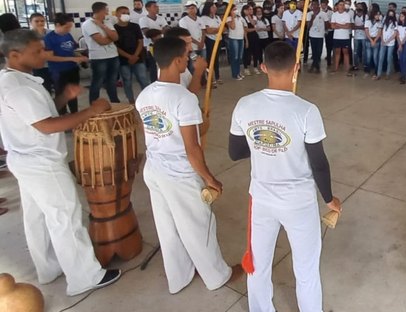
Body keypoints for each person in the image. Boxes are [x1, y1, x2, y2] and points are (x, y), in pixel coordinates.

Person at [0, 29, 121, 295]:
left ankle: (49, 268)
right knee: (65, 218)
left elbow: (36, 117)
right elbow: (46, 126)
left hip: (25, 160)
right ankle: (85, 277)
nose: (44, 54)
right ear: (14, 55)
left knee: (39, 218)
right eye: (37, 51)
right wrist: (90, 111)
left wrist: (63, 98)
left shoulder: (12, 80)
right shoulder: (19, 88)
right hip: (41, 163)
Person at [229, 41, 341, 312]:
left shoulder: (245, 105)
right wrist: (329, 199)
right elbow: (319, 163)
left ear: (263, 66)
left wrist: (261, 145)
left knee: (258, 264)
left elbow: (236, 152)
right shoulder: (306, 110)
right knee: (306, 270)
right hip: (299, 203)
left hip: (262, 200)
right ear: (297, 68)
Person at [136, 37, 236, 294]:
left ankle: (178, 277)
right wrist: (209, 177)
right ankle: (217, 276)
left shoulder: (145, 94)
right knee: (198, 223)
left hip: (154, 168)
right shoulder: (183, 98)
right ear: (179, 60)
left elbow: (164, 129)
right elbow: (192, 148)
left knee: (167, 226)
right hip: (178, 172)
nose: (189, 60)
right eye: (188, 56)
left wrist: (200, 126)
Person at [44, 13, 86, 114]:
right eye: (66, 27)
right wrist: (71, 58)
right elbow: (50, 57)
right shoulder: (49, 38)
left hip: (72, 69)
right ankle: (63, 117)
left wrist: (80, 56)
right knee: (61, 94)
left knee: (72, 93)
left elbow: (72, 49)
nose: (69, 29)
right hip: (58, 71)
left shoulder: (67, 35)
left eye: (70, 27)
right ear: (58, 25)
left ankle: (74, 114)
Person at [81, 2, 120, 104]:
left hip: (113, 55)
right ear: (100, 10)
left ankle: (115, 102)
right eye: (106, 10)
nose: (107, 12)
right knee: (97, 82)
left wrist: (103, 26)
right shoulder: (88, 24)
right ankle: (94, 104)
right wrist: (110, 38)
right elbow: (101, 41)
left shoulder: (106, 22)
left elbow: (116, 37)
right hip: (99, 57)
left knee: (112, 81)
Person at [114, 6, 150, 103]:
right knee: (127, 81)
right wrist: (129, 56)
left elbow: (140, 41)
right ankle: (131, 101)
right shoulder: (114, 28)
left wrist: (135, 55)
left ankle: (147, 100)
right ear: (117, 14)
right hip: (123, 59)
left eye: (127, 13)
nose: (126, 15)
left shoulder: (135, 26)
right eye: (123, 13)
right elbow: (115, 46)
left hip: (138, 57)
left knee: (143, 79)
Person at [162, 28, 207, 96]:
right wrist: (198, 71)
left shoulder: (182, 64)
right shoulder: (170, 70)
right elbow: (188, 95)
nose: (191, 48)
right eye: (186, 44)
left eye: (190, 43)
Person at [139, 0, 168, 82]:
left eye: (157, 6)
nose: (157, 8)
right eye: (155, 6)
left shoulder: (161, 18)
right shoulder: (143, 19)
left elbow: (167, 29)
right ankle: (154, 83)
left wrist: (155, 32)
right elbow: (147, 33)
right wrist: (161, 31)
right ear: (148, 8)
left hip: (163, 45)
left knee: (163, 65)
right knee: (153, 67)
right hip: (151, 47)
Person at [199, 2, 223, 85]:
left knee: (216, 59)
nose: (215, 8)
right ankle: (210, 78)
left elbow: (223, 28)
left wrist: (215, 30)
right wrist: (217, 29)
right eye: (213, 7)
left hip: (218, 40)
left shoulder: (217, 17)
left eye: (215, 7)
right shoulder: (203, 18)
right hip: (210, 41)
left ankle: (217, 76)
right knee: (210, 60)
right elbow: (208, 31)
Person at [330, 0, 353, 75]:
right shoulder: (334, 15)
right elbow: (332, 26)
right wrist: (342, 25)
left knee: (346, 53)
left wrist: (338, 25)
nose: (342, 6)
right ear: (337, 6)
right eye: (340, 5)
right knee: (337, 53)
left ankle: (347, 69)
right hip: (337, 37)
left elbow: (348, 26)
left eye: (343, 5)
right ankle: (335, 68)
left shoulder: (347, 15)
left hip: (345, 37)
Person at [307, 0, 329, 73]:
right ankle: (316, 66)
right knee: (314, 51)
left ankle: (314, 65)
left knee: (319, 51)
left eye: (316, 4)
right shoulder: (309, 14)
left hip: (320, 35)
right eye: (313, 5)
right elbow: (308, 26)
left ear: (318, 5)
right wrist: (312, 18)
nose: (314, 6)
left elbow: (326, 23)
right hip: (312, 35)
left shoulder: (323, 14)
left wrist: (325, 31)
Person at [226, 5, 247, 81]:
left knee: (240, 57)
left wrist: (245, 39)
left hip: (241, 39)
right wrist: (232, 17)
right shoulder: (228, 18)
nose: (235, 11)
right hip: (233, 39)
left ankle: (238, 72)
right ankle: (235, 74)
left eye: (236, 9)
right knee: (235, 57)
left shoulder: (240, 18)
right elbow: (232, 27)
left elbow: (245, 27)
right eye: (233, 9)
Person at [377, 9, 397, 79]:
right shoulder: (384, 22)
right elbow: (381, 31)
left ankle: (387, 74)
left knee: (389, 58)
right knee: (381, 57)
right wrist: (382, 39)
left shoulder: (395, 23)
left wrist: (387, 41)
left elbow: (395, 34)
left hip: (390, 43)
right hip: (383, 42)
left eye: (392, 14)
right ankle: (378, 74)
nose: (390, 15)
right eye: (389, 14)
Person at [364, 8, 383, 78]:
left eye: (379, 15)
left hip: (376, 40)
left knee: (375, 57)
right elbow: (366, 32)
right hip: (369, 40)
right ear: (373, 15)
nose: (378, 16)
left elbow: (379, 33)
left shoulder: (380, 23)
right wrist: (371, 40)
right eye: (377, 15)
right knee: (368, 57)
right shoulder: (367, 22)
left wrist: (374, 41)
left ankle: (376, 72)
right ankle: (367, 71)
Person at [352, 4, 368, 72]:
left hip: (364, 37)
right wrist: (361, 27)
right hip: (356, 37)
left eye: (360, 7)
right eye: (357, 7)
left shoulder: (366, 16)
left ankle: (364, 64)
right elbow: (352, 26)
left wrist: (357, 27)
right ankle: (356, 65)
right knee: (355, 51)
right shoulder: (354, 16)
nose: (358, 8)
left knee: (364, 51)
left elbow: (365, 27)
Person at [321, 0, 334, 66]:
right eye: (322, 5)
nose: (323, 6)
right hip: (320, 31)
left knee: (329, 45)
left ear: (327, 5)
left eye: (324, 5)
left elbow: (332, 23)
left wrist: (328, 25)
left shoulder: (331, 13)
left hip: (329, 31)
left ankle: (329, 59)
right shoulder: (319, 12)